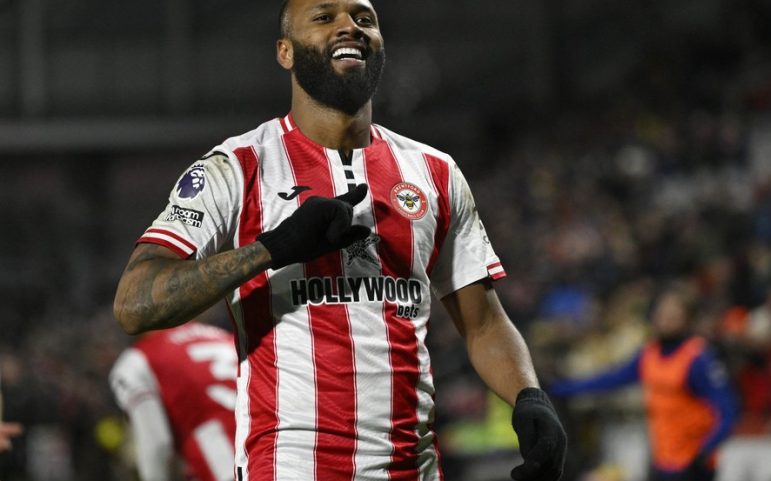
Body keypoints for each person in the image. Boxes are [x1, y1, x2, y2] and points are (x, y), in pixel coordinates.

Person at [112, 0, 567, 480]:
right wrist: (272, 249)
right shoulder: (235, 168)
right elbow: (135, 302)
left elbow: (483, 324)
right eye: (325, 17)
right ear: (285, 52)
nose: (350, 26)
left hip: (415, 470)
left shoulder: (434, 172)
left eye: (364, 18)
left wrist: (529, 397)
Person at [549, 286, 738, 481]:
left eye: (673, 316)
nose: (664, 320)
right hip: (664, 461)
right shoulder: (650, 354)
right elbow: (610, 379)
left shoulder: (698, 359)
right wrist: (560, 388)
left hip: (694, 463)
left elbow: (727, 410)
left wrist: (706, 450)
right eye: (661, 313)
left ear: (687, 320)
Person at [109, 321, 237, 481]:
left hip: (226, 468)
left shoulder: (137, 359)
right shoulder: (221, 335)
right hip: (270, 454)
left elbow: (157, 445)